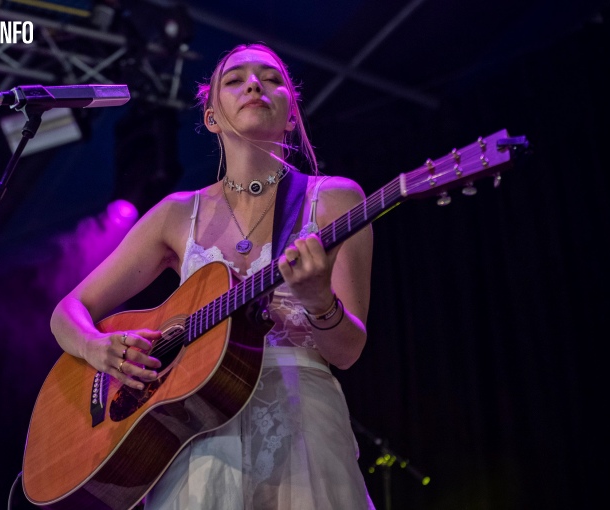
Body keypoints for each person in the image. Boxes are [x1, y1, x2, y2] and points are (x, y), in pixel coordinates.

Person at [50, 43, 375, 509]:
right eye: (234, 79)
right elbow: (68, 312)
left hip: (303, 430)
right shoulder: (177, 214)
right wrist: (96, 347)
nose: (254, 84)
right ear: (211, 117)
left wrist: (319, 299)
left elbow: (348, 351)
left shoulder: (336, 201)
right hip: (196, 440)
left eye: (271, 77)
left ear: (290, 115)